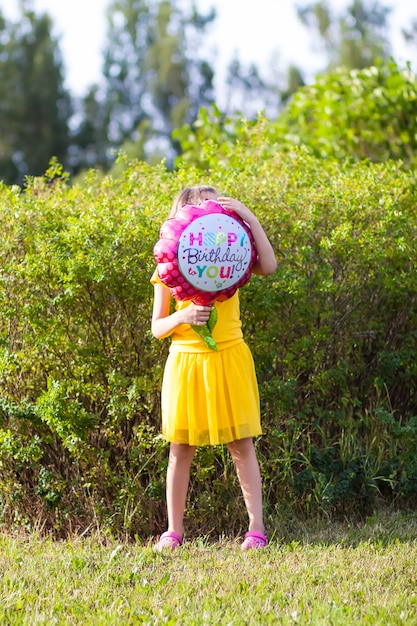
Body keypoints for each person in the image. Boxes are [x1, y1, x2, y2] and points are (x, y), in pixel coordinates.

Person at [151, 185, 277, 550]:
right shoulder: (167, 268)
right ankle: (173, 532)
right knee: (180, 448)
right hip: (186, 362)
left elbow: (268, 266)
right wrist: (183, 316)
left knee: (242, 444)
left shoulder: (233, 258)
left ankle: (256, 530)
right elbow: (157, 328)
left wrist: (249, 217)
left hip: (229, 356)